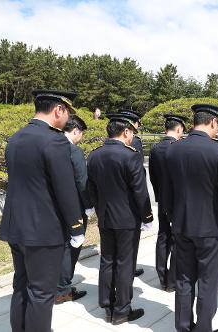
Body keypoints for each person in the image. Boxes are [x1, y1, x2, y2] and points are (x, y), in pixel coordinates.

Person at [0, 89, 85, 332]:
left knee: (21, 287)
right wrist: (76, 226)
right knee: (41, 293)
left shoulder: (16, 138)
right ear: (59, 109)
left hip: (16, 226)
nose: (68, 118)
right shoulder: (54, 140)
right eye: (67, 112)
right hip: (44, 231)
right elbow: (65, 189)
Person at [164, 104, 218, 332]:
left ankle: (183, 326)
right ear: (214, 123)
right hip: (210, 228)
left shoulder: (173, 149)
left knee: (184, 280)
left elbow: (167, 191)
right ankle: (204, 328)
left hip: (181, 225)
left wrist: (172, 217)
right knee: (208, 283)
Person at [87, 111, 154, 325]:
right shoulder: (130, 155)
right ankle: (122, 309)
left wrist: (96, 209)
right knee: (125, 263)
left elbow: (91, 190)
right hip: (127, 220)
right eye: (132, 132)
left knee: (107, 261)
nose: (133, 136)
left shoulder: (95, 154)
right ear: (126, 132)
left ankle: (107, 305)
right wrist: (147, 216)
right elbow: (139, 191)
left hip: (105, 217)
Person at [55, 115, 91, 305]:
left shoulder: (52, 146)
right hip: (73, 207)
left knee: (60, 248)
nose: (81, 138)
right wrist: (89, 205)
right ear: (76, 130)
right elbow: (82, 182)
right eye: (81, 134)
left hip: (54, 208)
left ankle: (57, 286)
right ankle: (63, 290)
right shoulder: (73, 150)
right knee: (71, 248)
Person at [149, 114, 187, 292]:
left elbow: (153, 177)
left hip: (162, 200)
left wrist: (159, 196)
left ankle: (162, 276)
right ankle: (172, 280)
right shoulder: (180, 148)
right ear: (179, 129)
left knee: (163, 237)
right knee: (178, 240)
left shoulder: (155, 148)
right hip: (178, 202)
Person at [117, 108, 147, 277]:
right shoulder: (133, 143)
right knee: (127, 247)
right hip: (127, 205)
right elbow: (138, 171)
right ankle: (130, 267)